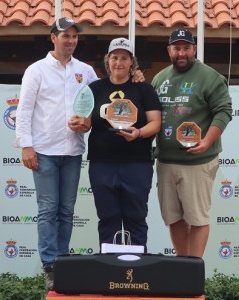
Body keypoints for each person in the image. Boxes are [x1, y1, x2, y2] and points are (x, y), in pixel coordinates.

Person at [14, 17, 99, 290]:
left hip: (73, 150)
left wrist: (87, 122)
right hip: (44, 151)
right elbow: (24, 111)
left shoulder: (85, 71)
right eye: (65, 36)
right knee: (48, 209)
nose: (71, 41)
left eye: (74, 37)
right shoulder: (36, 70)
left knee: (67, 210)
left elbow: (98, 104)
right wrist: (26, 145)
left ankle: (63, 260)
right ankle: (50, 264)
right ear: (53, 37)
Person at [71, 38, 161, 249]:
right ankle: (109, 270)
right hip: (102, 163)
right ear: (107, 61)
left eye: (123, 58)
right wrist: (79, 124)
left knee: (135, 217)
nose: (118, 62)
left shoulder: (144, 89)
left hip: (137, 163)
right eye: (114, 58)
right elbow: (86, 122)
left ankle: (137, 268)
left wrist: (138, 133)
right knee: (108, 218)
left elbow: (155, 123)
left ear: (132, 62)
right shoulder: (94, 88)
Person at [151, 28, 232, 258]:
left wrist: (206, 142)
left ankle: (193, 269)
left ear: (194, 49)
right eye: (176, 48)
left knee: (197, 219)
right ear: (169, 51)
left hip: (198, 161)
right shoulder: (160, 78)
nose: (181, 53)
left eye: (186, 48)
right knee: (174, 218)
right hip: (166, 162)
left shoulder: (210, 77)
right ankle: (182, 268)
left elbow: (224, 111)